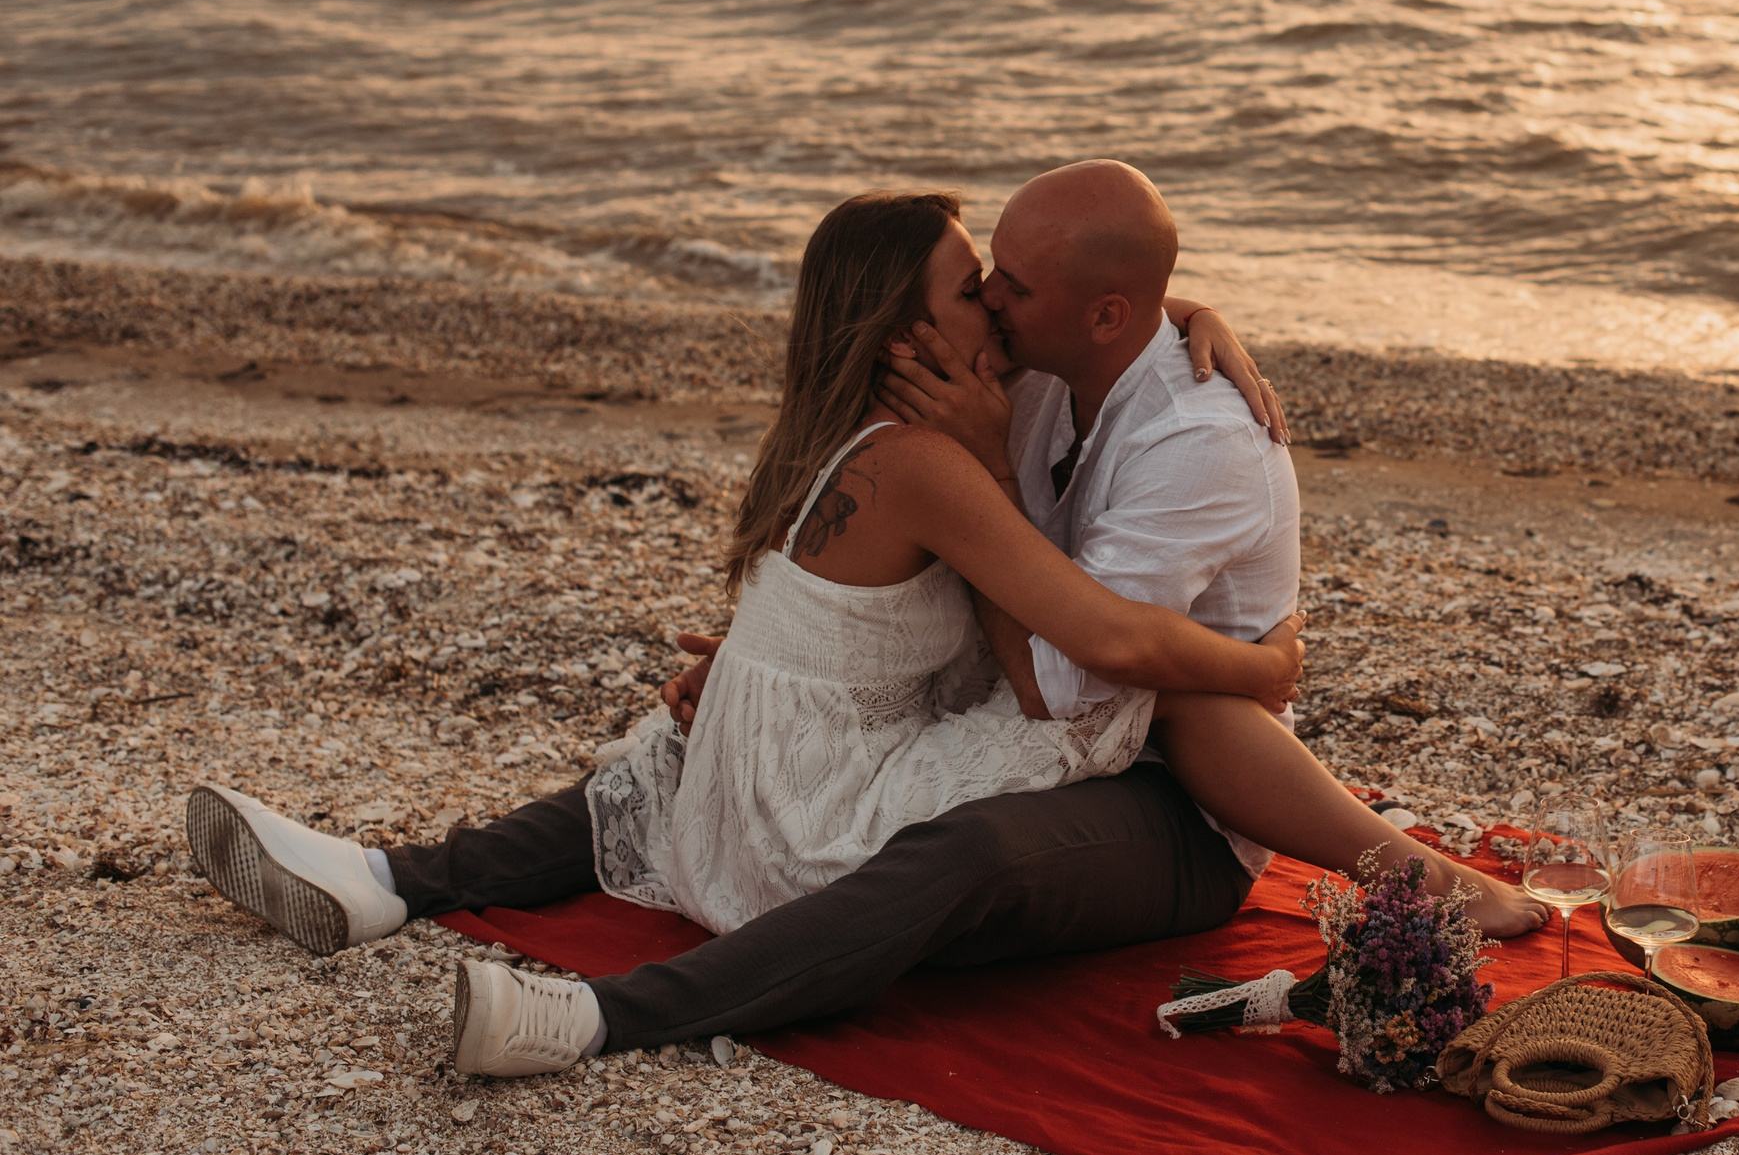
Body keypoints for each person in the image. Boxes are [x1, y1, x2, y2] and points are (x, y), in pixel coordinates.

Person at [188, 164, 1539, 1079]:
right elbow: (1082, 354)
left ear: (1094, 312)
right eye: (985, 280)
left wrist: (1273, 661)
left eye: (1012, 284)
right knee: (683, 751)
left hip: (1168, 793)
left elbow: (1077, 687)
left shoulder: (1188, 440)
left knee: (963, 847)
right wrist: (790, 669)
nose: (997, 300)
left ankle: (603, 1017)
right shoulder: (1036, 373)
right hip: (1047, 708)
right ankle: (390, 880)